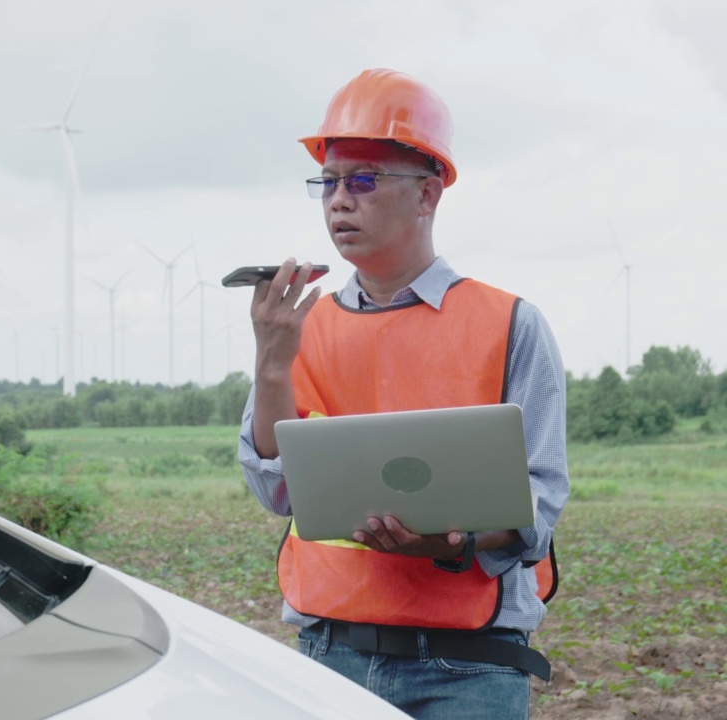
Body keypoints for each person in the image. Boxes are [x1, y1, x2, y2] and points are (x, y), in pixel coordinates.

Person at [238, 68, 570, 720]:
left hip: (468, 670)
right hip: (328, 658)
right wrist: (272, 366)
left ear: (427, 194)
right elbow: (275, 490)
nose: (338, 201)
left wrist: (458, 543)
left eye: (362, 180)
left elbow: (540, 502)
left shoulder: (510, 325)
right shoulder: (301, 328)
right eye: (327, 183)